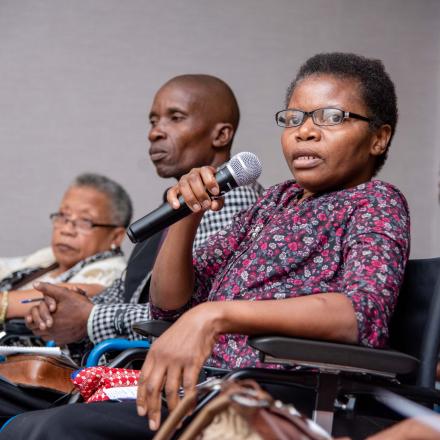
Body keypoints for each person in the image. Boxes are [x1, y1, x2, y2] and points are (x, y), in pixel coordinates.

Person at [0, 53, 410, 440]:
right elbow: (169, 305)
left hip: (273, 395)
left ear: (379, 138)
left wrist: (215, 315)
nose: (305, 130)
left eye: (331, 117)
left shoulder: (375, 202)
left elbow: (361, 312)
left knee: (43, 430)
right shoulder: (273, 202)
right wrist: (186, 214)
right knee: (25, 422)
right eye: (294, 118)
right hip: (201, 387)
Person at [0, 74, 263, 426]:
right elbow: (118, 295)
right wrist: (60, 311)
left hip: (163, 385)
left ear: (221, 135)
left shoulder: (230, 206)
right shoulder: (171, 210)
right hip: (106, 368)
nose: (155, 131)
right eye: (153, 120)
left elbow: (189, 312)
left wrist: (89, 319)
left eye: (175, 117)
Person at [0, 172, 131, 324]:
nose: (67, 230)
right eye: (63, 216)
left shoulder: (112, 274)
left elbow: (69, 297)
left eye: (85, 221)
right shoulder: (50, 258)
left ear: (116, 236)